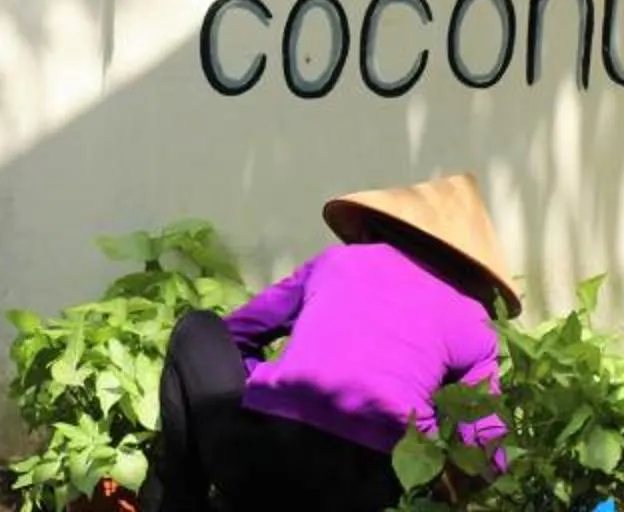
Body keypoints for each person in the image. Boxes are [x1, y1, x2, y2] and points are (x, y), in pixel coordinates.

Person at [140, 173, 518, 512]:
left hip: (261, 458)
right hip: (372, 489)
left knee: (197, 328)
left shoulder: (339, 262)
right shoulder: (477, 323)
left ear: (380, 228)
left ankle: (177, 500)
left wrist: (262, 380)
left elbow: (231, 335)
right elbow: (487, 454)